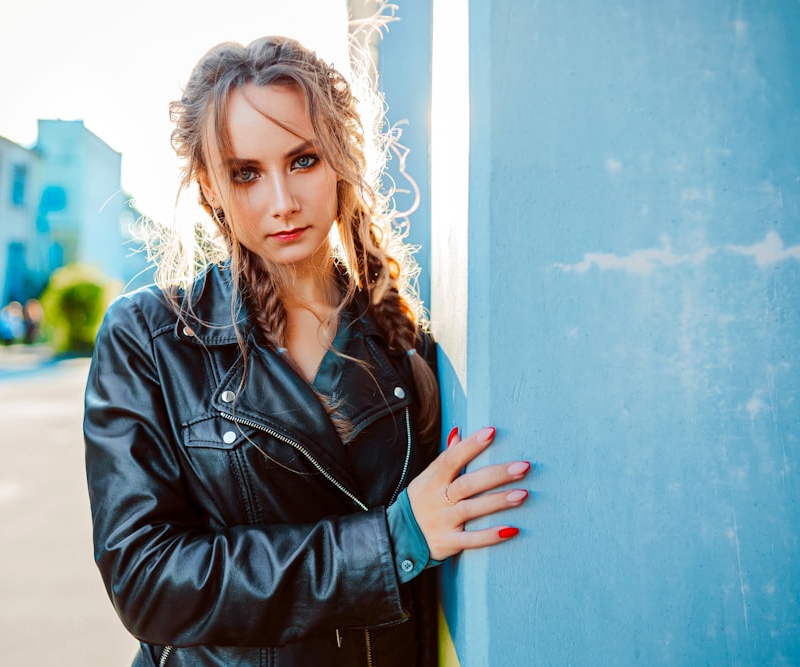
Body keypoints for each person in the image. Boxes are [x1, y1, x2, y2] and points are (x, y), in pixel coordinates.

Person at [83, 35, 531, 666]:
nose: (282, 202)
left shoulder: (405, 344)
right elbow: (148, 581)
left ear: (340, 159)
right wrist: (391, 540)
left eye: (302, 160)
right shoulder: (148, 340)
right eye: (246, 174)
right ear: (210, 187)